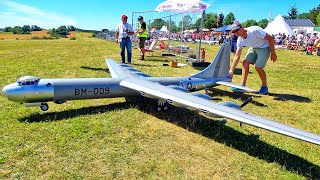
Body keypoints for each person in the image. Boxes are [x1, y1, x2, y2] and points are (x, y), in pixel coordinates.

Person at [229, 20, 277, 94]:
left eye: (237, 30)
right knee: (245, 63)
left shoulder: (254, 30)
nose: (236, 33)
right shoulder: (240, 40)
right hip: (254, 47)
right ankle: (242, 86)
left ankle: (264, 87)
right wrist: (231, 70)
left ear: (242, 28)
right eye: (234, 32)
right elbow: (237, 56)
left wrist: (273, 53)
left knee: (258, 67)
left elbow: (270, 38)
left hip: (264, 47)